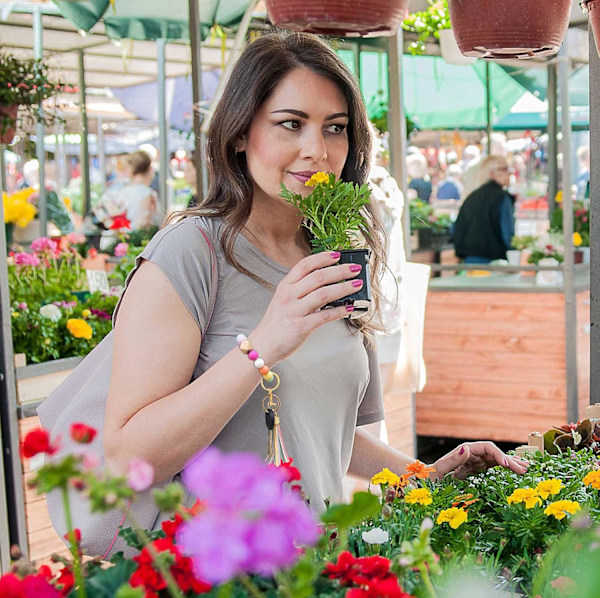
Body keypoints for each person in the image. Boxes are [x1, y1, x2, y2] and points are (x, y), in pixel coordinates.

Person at [86, 33, 523, 518]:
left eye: (335, 128)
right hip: (224, 574)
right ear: (238, 133)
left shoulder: (336, 250)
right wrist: (263, 346)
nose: (316, 149)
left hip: (320, 567)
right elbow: (127, 459)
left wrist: (424, 476)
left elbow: (317, 425)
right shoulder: (191, 252)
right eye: (290, 124)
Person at [452, 155, 515, 264]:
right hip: (494, 260)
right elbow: (507, 233)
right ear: (492, 173)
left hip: (469, 258)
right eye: (504, 169)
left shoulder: (472, 197)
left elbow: (456, 228)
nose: (509, 173)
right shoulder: (501, 197)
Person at [115, 150, 163, 230]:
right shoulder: (149, 195)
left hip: (122, 240)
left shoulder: (121, 192)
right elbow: (147, 225)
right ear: (149, 168)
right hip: (142, 240)